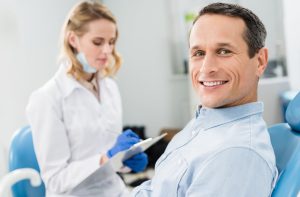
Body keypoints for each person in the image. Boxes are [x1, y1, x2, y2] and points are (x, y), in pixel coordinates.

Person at [132, 3, 278, 197]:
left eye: (224, 51)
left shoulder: (235, 155)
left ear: (259, 61)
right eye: (199, 53)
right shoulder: (205, 122)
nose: (206, 68)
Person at [26, 1, 148, 196]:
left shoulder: (110, 88)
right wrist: (105, 158)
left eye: (111, 41)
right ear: (73, 40)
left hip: (115, 190)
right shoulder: (47, 99)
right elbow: (56, 181)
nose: (107, 50)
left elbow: (110, 157)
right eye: (98, 42)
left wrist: (126, 161)